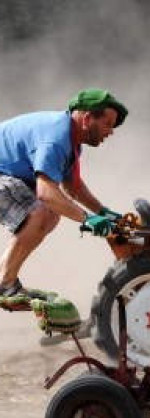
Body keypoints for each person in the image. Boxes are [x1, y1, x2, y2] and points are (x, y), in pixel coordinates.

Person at [0, 88, 128, 298]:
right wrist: (88, 219)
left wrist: (104, 212)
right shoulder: (56, 139)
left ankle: (5, 281)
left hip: (9, 175)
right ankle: (6, 284)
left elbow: (74, 187)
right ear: (87, 118)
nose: (111, 131)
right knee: (42, 211)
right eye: (108, 124)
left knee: (51, 214)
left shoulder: (71, 142)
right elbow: (46, 194)